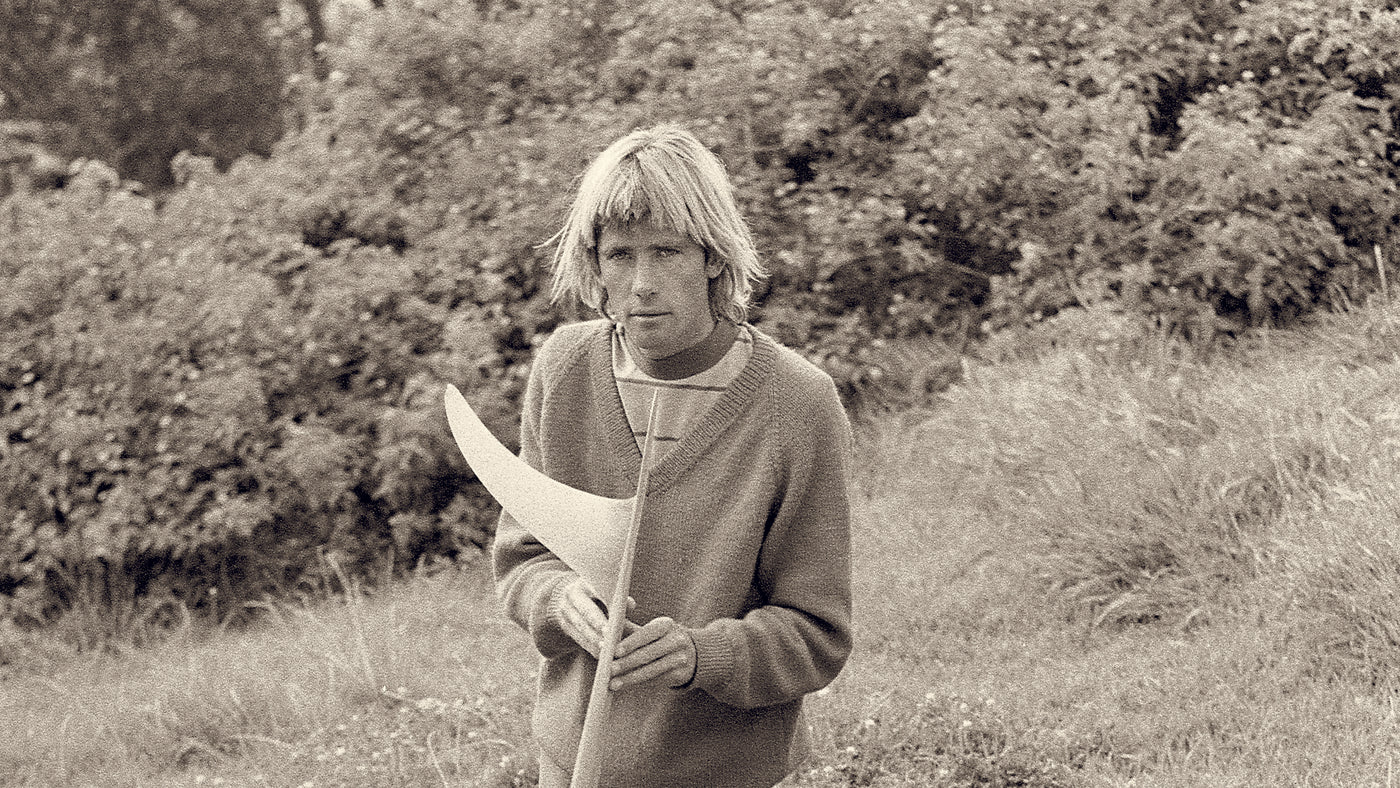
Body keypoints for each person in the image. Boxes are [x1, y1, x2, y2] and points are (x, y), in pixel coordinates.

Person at [492, 122, 853, 788]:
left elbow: (816, 633)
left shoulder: (798, 403)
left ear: (713, 256)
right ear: (595, 262)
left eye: (667, 252)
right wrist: (558, 598)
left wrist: (700, 655)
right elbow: (522, 561)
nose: (641, 283)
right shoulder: (564, 369)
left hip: (723, 771)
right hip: (570, 764)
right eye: (620, 255)